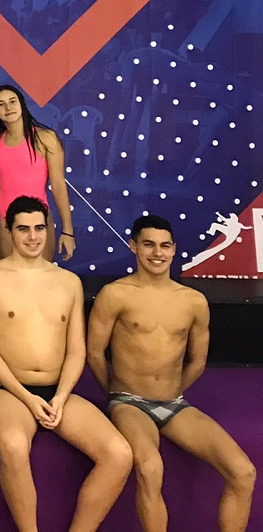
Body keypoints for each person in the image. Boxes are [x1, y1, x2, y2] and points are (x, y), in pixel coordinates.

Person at [0, 196, 131, 532]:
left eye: (39, 228)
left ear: (48, 230)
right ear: (9, 231)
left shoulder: (69, 282)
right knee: (14, 445)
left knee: (119, 454)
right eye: (23, 229)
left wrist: (60, 396)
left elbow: (76, 350)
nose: (33, 237)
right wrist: (27, 398)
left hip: (58, 391)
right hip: (7, 391)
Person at [87, 215, 255, 532]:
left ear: (174, 249)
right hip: (129, 402)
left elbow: (197, 362)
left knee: (243, 472)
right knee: (151, 468)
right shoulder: (115, 294)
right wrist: (113, 394)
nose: (157, 253)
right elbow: (94, 352)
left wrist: (172, 389)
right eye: (148, 244)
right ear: (133, 246)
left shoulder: (193, 301)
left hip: (174, 404)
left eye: (165, 246)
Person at [0, 84, 75, 261]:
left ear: (22, 104)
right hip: (5, 222)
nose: (8, 107)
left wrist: (68, 231)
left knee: (40, 275)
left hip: (38, 220)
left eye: (13, 101)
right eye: (1, 104)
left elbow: (58, 185)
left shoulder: (45, 138)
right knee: (9, 275)